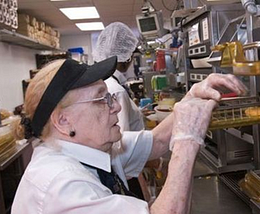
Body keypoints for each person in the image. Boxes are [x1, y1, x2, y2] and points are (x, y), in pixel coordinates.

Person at [11, 56, 247, 214]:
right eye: (102, 99)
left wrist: (194, 96)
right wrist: (187, 142)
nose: (116, 107)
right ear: (63, 121)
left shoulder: (91, 149)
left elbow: (158, 141)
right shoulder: (62, 187)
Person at [92, 22, 147, 199]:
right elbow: (121, 142)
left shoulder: (106, 83)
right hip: (128, 172)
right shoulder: (116, 90)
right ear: (127, 57)